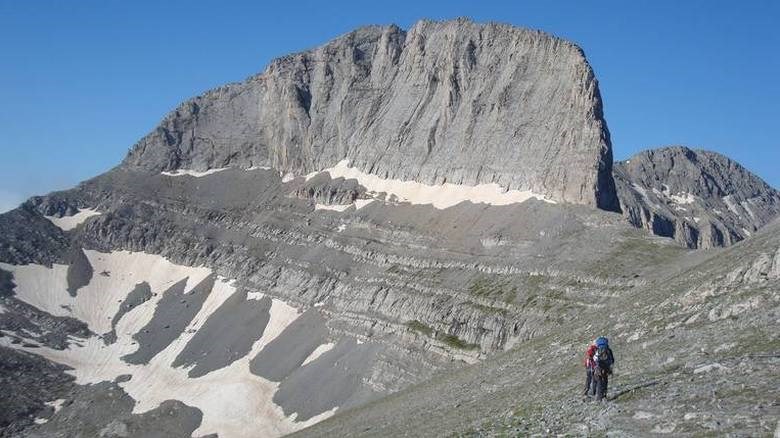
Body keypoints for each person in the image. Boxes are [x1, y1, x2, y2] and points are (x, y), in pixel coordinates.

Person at [593, 336, 614, 401]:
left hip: (599, 368)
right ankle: (604, 395)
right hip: (606, 368)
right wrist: (610, 368)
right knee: (605, 381)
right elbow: (612, 360)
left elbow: (595, 359)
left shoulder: (597, 350)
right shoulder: (608, 349)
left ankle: (599, 397)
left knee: (599, 382)